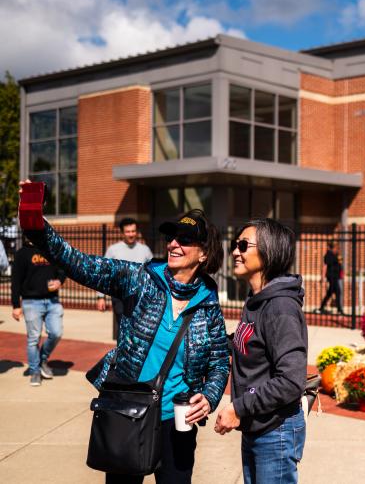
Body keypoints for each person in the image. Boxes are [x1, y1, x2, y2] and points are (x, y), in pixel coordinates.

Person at [20, 194, 229, 483]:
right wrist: (36, 226)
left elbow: (219, 363)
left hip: (176, 423)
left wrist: (209, 396)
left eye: (185, 239)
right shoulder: (140, 279)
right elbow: (80, 264)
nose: (173, 244)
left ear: (204, 253)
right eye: (172, 237)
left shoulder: (209, 305)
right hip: (127, 414)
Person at [214, 218, 308, 484]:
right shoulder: (256, 301)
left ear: (269, 251)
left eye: (243, 245)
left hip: (275, 432)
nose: (235, 252)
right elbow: (251, 343)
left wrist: (239, 408)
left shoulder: (280, 308)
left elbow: (291, 381)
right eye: (235, 245)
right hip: (258, 426)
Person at [11, 236, 66, 386]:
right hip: (31, 302)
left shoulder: (51, 250)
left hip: (53, 301)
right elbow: (15, 281)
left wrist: (59, 281)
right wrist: (16, 305)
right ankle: (35, 371)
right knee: (33, 339)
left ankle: (42, 359)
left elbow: (63, 269)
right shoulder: (22, 253)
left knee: (56, 333)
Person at [96, 217, 154, 339]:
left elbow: (153, 273)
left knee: (140, 329)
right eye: (128, 231)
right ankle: (121, 355)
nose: (131, 234)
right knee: (122, 328)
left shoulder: (145, 250)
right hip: (120, 295)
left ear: (137, 232)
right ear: (122, 233)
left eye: (133, 231)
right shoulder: (113, 250)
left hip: (140, 296)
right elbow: (104, 273)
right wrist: (100, 297)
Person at [318, 241, 344, 315]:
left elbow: (339, 264)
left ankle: (321, 307)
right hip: (331, 276)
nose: (337, 249)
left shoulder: (336, 255)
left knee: (330, 293)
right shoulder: (328, 255)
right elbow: (325, 266)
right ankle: (339, 310)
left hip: (336, 276)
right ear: (332, 247)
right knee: (337, 292)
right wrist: (322, 277)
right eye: (336, 247)